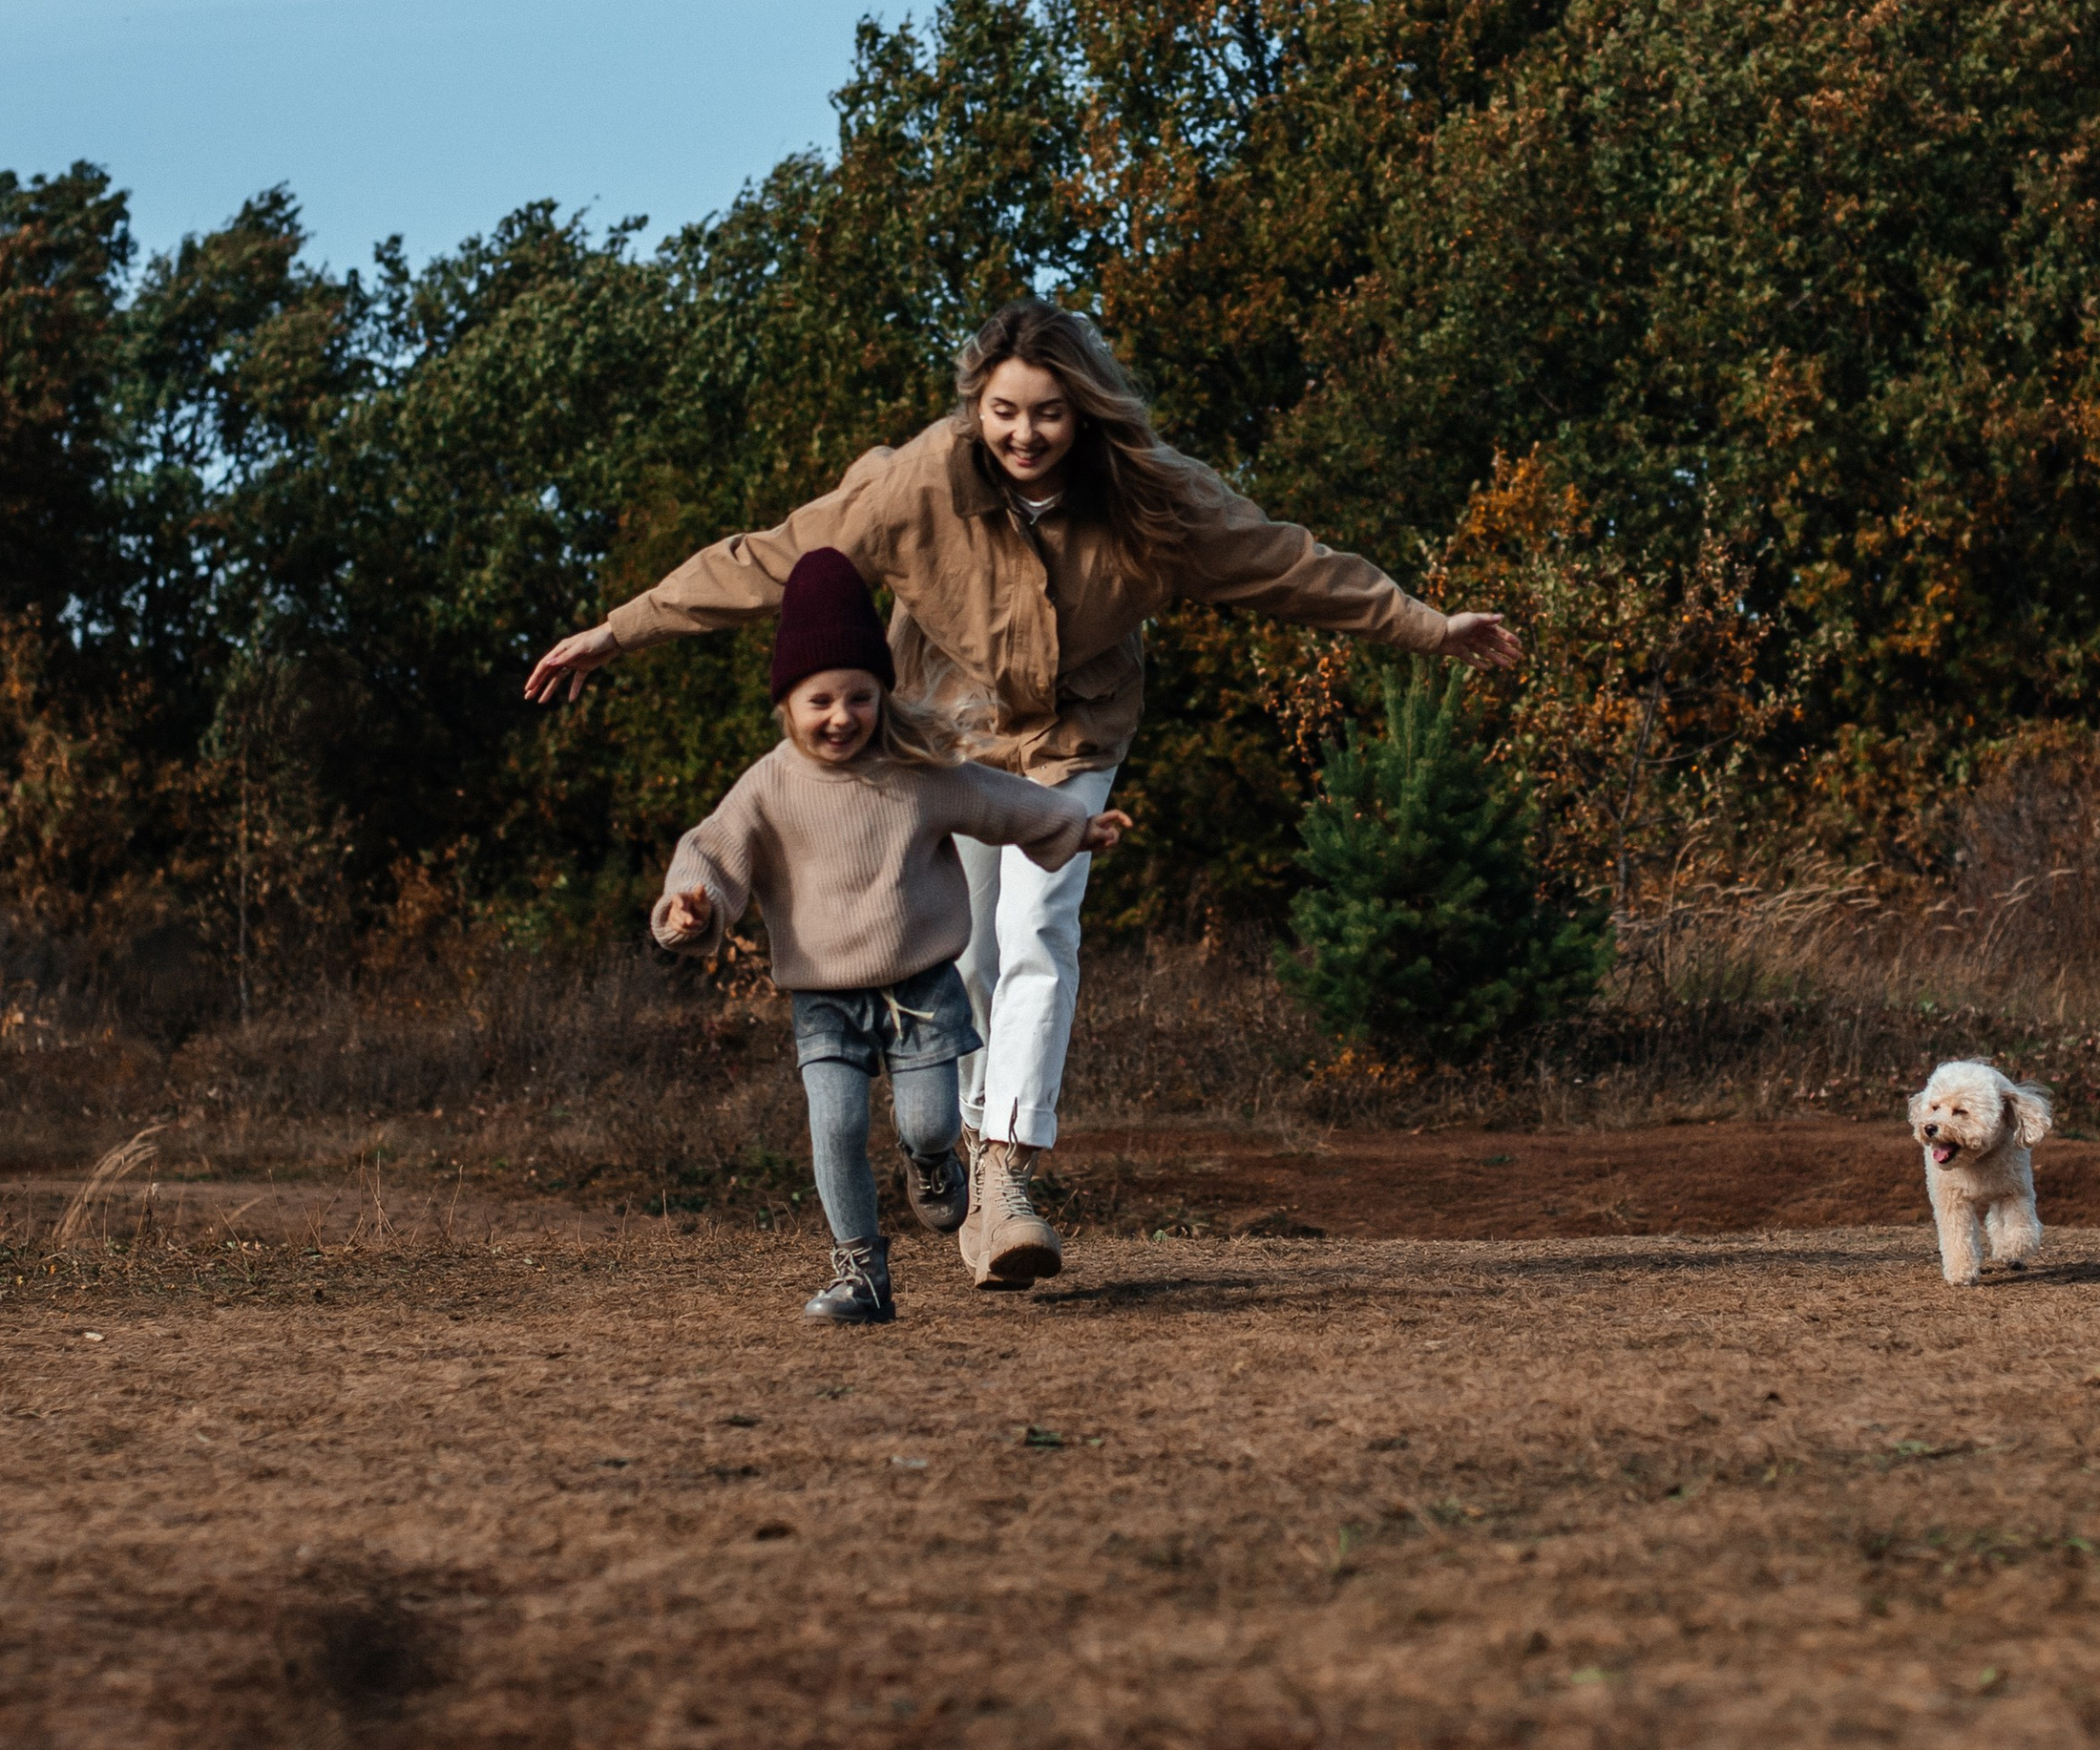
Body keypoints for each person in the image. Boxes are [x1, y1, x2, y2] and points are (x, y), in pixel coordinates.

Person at [532, 296, 1519, 1287]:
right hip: (944, 729)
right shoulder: (912, 485)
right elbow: (773, 557)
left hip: (1075, 728)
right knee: (965, 952)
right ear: (976, 407)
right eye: (1004, 411)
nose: (1024, 433)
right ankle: (957, 1149)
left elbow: (1287, 565)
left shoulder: (1152, 499)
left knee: (1043, 926)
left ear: (1082, 411)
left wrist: (1427, 626)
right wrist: (623, 628)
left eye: (1047, 412)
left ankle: (1004, 1170)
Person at [651, 541, 1130, 1323]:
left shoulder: (912, 769)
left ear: (881, 692)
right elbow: (712, 849)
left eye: (858, 697)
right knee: (836, 1125)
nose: (841, 716)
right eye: (820, 701)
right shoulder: (770, 785)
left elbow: (997, 799)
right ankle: (862, 1274)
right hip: (825, 998)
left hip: (920, 986)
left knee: (931, 1119)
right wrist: (687, 907)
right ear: (787, 703)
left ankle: (936, 1162)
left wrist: (1076, 827)